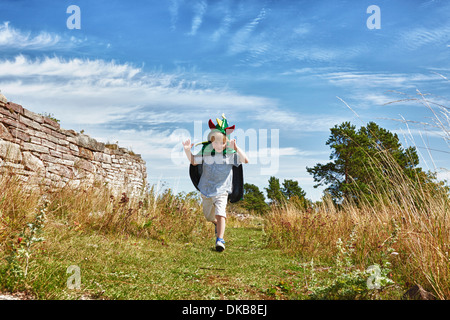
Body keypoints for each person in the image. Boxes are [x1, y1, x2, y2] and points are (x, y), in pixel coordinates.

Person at [182, 115, 249, 251]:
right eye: (216, 142)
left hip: (222, 190)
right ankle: (216, 224)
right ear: (211, 142)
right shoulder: (206, 154)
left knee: (220, 211)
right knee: (208, 216)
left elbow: (245, 160)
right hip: (206, 189)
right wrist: (187, 150)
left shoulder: (230, 155)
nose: (219, 145)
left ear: (226, 142)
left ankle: (220, 239)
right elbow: (194, 161)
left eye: (222, 143)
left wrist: (236, 148)